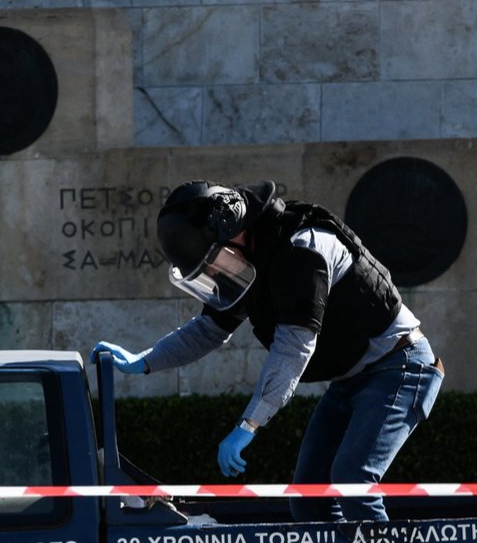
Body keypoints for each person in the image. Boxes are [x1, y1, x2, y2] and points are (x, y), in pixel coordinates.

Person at [93, 179, 443, 522]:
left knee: (353, 483)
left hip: (399, 366)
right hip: (350, 380)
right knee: (309, 502)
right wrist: (145, 360)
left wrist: (249, 424)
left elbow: (294, 348)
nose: (212, 270)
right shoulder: (248, 263)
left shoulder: (303, 249)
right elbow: (208, 330)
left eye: (211, 259)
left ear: (233, 232)